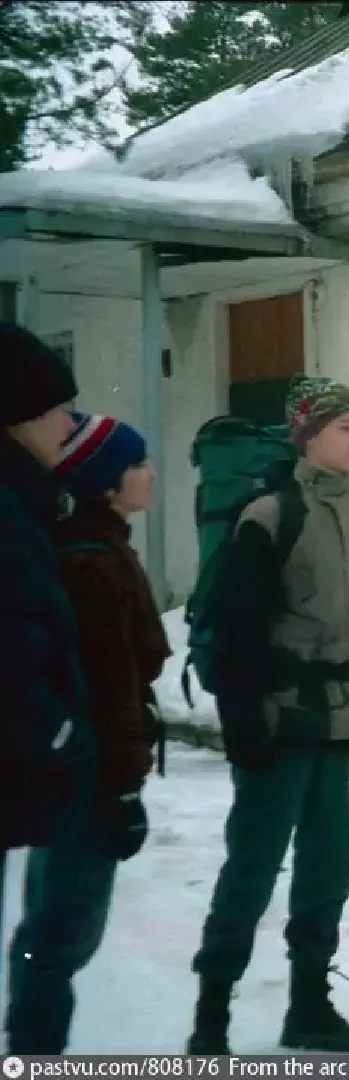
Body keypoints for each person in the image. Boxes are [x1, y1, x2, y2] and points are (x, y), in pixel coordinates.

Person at [186, 374, 349, 1055]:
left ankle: (309, 1008)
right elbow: (234, 631)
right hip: (278, 722)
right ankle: (211, 1017)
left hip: (337, 722)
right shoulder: (271, 515)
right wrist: (243, 727)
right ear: (309, 436)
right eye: (346, 427)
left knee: (329, 867)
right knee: (253, 868)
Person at [5, 412, 170, 1054]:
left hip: (80, 772)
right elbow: (109, 695)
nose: (149, 475)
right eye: (136, 465)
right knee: (60, 936)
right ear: (106, 481)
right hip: (88, 778)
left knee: (53, 932)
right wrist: (121, 790)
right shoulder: (93, 567)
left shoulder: (101, 548)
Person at [0, 323, 95, 1012]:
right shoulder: (7, 511)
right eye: (56, 409)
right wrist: (53, 731)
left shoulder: (24, 503)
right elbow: (14, 641)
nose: (68, 423)